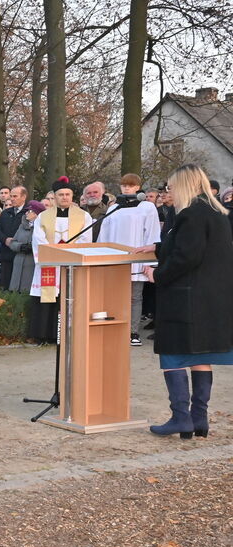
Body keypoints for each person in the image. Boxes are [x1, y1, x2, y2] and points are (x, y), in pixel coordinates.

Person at [133, 164, 232, 439]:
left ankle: (180, 417)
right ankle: (198, 418)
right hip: (208, 299)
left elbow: (186, 257)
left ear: (185, 186)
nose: (168, 192)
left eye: (171, 187)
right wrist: (156, 247)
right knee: (199, 356)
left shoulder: (191, 215)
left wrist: (157, 274)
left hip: (185, 297)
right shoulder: (214, 213)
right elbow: (192, 247)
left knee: (173, 355)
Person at [98, 173, 162, 346]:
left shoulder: (147, 207)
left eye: (130, 185)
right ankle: (116, 328)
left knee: (135, 296)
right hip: (115, 258)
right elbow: (104, 233)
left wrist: (150, 261)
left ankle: (133, 331)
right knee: (115, 295)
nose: (126, 188)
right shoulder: (114, 208)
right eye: (124, 185)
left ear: (137, 187)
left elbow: (152, 233)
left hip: (137, 256)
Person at [28, 176, 93, 343]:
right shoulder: (43, 216)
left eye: (68, 194)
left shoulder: (83, 216)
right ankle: (44, 335)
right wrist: (54, 253)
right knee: (47, 299)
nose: (64, 197)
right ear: (55, 197)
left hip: (72, 264)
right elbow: (38, 239)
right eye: (61, 194)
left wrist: (68, 253)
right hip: (49, 264)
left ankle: (68, 335)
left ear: (72, 196)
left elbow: (86, 239)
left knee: (69, 297)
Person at [0, 186, 28, 289]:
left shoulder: (28, 213)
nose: (12, 198)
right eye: (11, 196)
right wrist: (5, 239)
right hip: (6, 255)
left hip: (22, 255)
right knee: (5, 286)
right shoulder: (5, 213)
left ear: (23, 197)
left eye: (15, 196)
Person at [7, 200, 44, 294]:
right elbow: (13, 242)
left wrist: (32, 247)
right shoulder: (22, 226)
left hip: (31, 262)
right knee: (15, 292)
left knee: (27, 290)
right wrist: (20, 246)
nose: (27, 213)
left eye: (30, 211)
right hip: (19, 261)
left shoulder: (41, 227)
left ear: (37, 214)